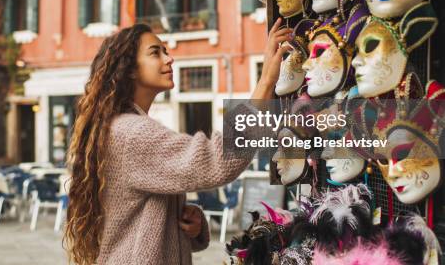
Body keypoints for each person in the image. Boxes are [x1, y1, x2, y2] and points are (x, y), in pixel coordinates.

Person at [65, 18, 292, 265]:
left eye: (166, 50)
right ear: (129, 68)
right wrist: (266, 81)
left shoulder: (123, 127)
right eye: (155, 53)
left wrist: (190, 223)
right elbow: (216, 160)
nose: (168, 58)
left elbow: (140, 221)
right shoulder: (131, 133)